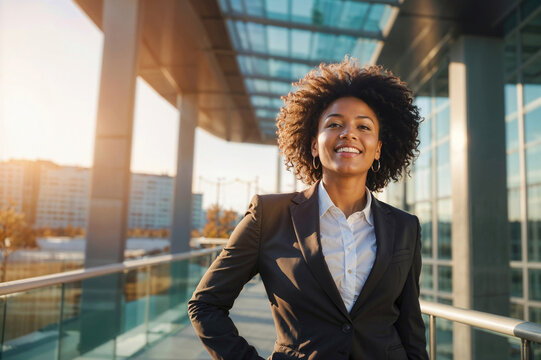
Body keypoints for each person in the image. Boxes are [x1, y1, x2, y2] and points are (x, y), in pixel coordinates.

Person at [188, 57, 428, 360]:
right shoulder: (269, 215)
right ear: (314, 144)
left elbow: (411, 330)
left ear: (378, 148)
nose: (348, 133)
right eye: (334, 124)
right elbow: (205, 304)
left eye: (363, 126)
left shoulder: (406, 227)